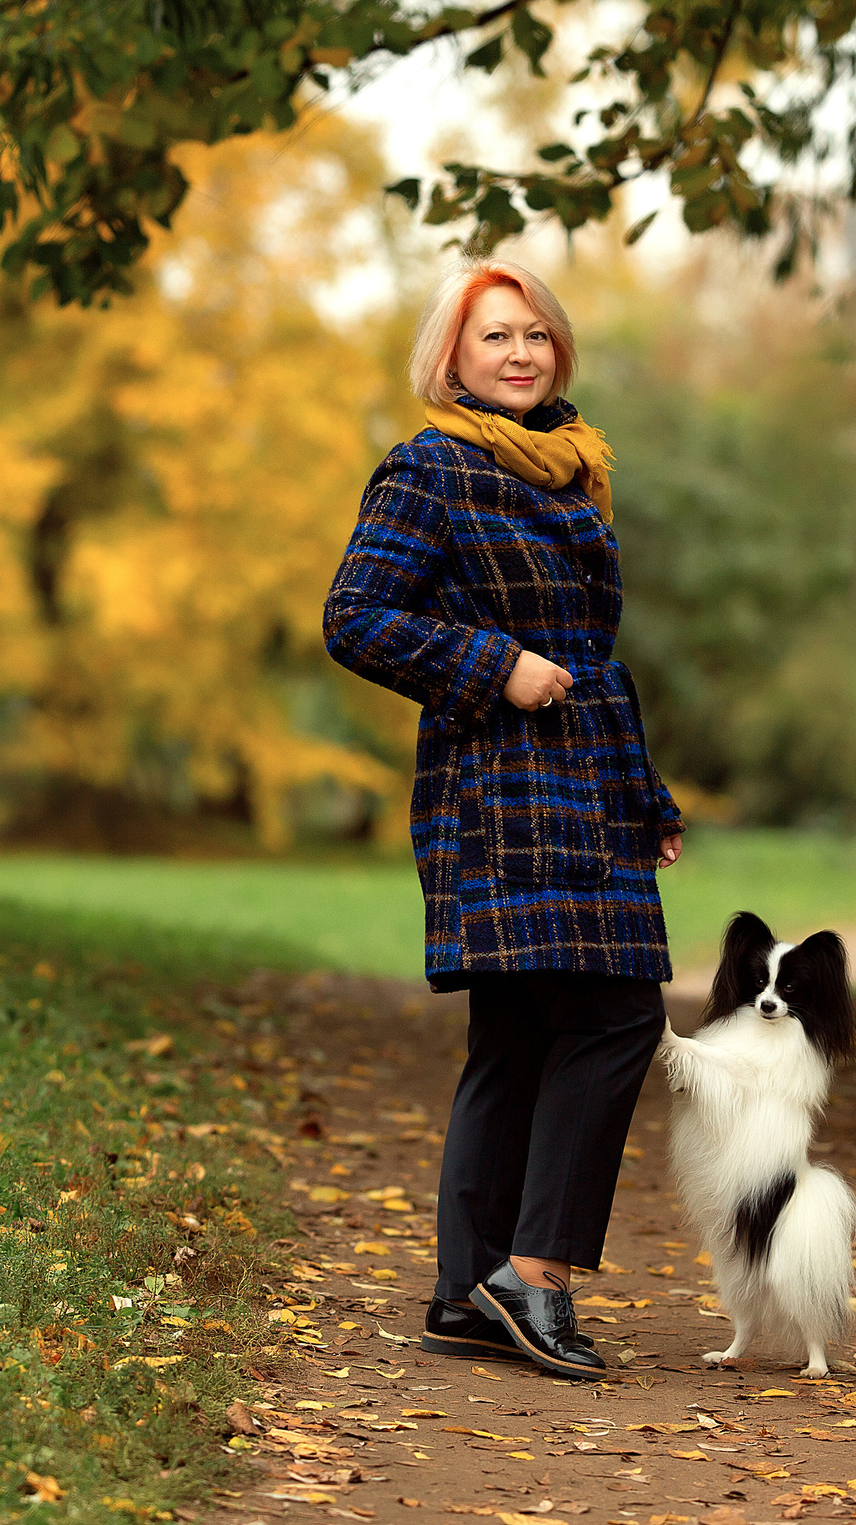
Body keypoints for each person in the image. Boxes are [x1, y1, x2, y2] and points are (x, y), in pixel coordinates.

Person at [323, 257, 683, 1380]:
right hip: (500, 786)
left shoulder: (576, 473)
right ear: (452, 359)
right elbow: (355, 616)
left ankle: (464, 1292)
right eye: (494, 337)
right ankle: (535, 1278)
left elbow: (592, 661)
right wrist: (492, 664)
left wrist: (645, 792)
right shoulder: (430, 469)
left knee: (522, 1033)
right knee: (620, 1015)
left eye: (535, 334)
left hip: (584, 780)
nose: (519, 352)